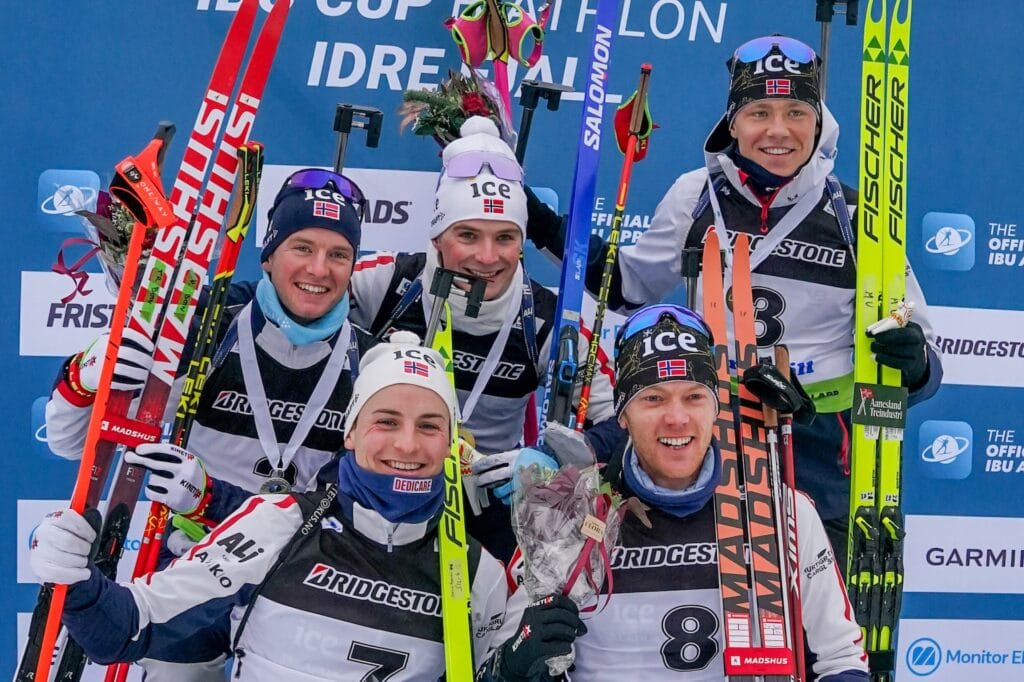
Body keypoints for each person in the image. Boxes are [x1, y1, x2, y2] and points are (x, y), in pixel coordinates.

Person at [524, 35, 942, 567]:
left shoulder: (857, 215)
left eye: (796, 112)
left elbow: (916, 334)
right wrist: (544, 227)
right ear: (733, 121)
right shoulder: (694, 194)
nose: (777, 130)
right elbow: (628, 286)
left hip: (824, 439)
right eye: (759, 112)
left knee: (830, 619)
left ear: (818, 121)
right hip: (720, 428)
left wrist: (913, 358)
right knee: (737, 611)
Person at [41, 168, 370, 678]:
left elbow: (351, 512)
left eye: (338, 254)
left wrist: (210, 496)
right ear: (269, 253)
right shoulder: (204, 326)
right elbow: (69, 443)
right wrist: (89, 373)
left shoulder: (367, 363)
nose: (319, 269)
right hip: (193, 571)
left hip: (298, 586)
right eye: (301, 247)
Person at [29, 333, 508, 679]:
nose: (407, 445)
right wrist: (74, 580)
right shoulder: (281, 522)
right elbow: (126, 627)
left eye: (429, 426)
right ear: (350, 430)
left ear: (451, 443)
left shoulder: (477, 573)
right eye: (386, 420)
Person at [478, 305, 869, 681]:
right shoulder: (570, 514)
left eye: (694, 396)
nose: (676, 417)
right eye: (653, 398)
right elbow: (493, 668)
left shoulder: (780, 511)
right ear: (623, 416)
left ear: (716, 408)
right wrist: (516, 663)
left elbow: (841, 659)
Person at [349, 116, 622, 562]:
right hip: (387, 479)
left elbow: (622, 425)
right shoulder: (390, 284)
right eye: (468, 235)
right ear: (438, 236)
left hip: (485, 497)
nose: (487, 257)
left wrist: (548, 458)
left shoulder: (548, 322)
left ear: (522, 243)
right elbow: (296, 301)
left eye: (505, 238)